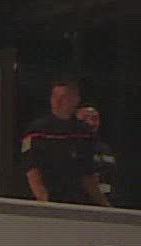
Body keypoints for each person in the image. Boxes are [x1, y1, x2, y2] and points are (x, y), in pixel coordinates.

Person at [23, 79, 107, 207]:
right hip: (46, 201)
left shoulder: (84, 132)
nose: (57, 101)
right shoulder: (38, 130)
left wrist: (103, 204)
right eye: (54, 97)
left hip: (76, 201)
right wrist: (43, 200)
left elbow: (87, 173)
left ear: (75, 100)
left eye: (63, 97)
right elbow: (32, 169)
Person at [77, 103, 117, 208]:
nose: (92, 122)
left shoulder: (105, 149)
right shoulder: (72, 146)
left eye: (95, 118)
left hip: (105, 201)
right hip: (79, 203)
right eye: (86, 117)